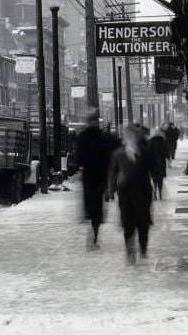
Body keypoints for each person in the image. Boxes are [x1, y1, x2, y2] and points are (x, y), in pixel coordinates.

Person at [108, 123, 155, 264]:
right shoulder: (118, 154)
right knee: (128, 222)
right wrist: (111, 190)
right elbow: (112, 172)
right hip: (125, 193)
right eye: (128, 136)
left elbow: (153, 168)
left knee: (143, 222)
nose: (130, 139)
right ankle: (129, 249)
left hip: (143, 192)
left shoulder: (145, 152)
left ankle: (143, 247)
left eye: (132, 136)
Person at [75, 110, 118, 249]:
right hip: (101, 175)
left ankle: (92, 230)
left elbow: (78, 157)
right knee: (98, 205)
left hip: (88, 175)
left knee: (90, 202)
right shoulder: (102, 136)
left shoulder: (83, 136)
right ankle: (94, 232)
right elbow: (112, 151)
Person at [147, 126, 168, 200]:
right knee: (160, 179)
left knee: (154, 179)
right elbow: (165, 152)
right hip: (161, 163)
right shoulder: (162, 141)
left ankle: (155, 191)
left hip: (152, 164)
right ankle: (160, 192)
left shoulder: (149, 142)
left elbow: (147, 153)